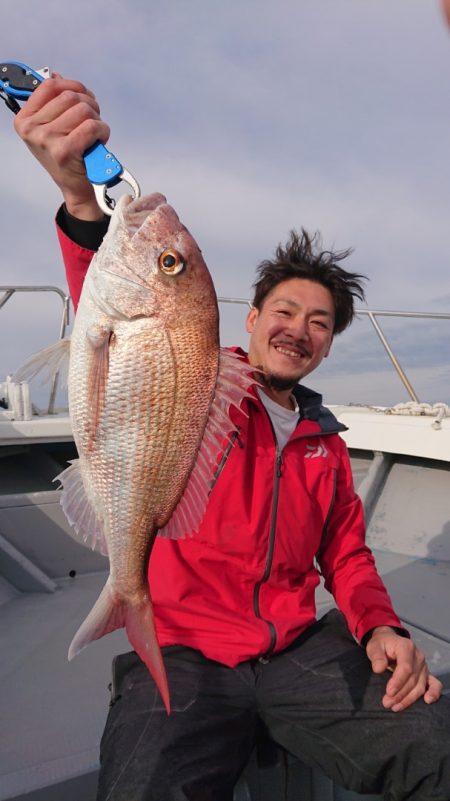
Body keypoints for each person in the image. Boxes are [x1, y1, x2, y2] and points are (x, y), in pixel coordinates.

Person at [14, 77, 450, 801]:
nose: (298, 329)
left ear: (328, 347)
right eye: (285, 309)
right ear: (248, 320)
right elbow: (129, 332)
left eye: (319, 322)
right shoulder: (201, 382)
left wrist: (379, 624)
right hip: (184, 652)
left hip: (296, 649)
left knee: (434, 743)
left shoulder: (326, 444)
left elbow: (346, 553)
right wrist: (83, 203)